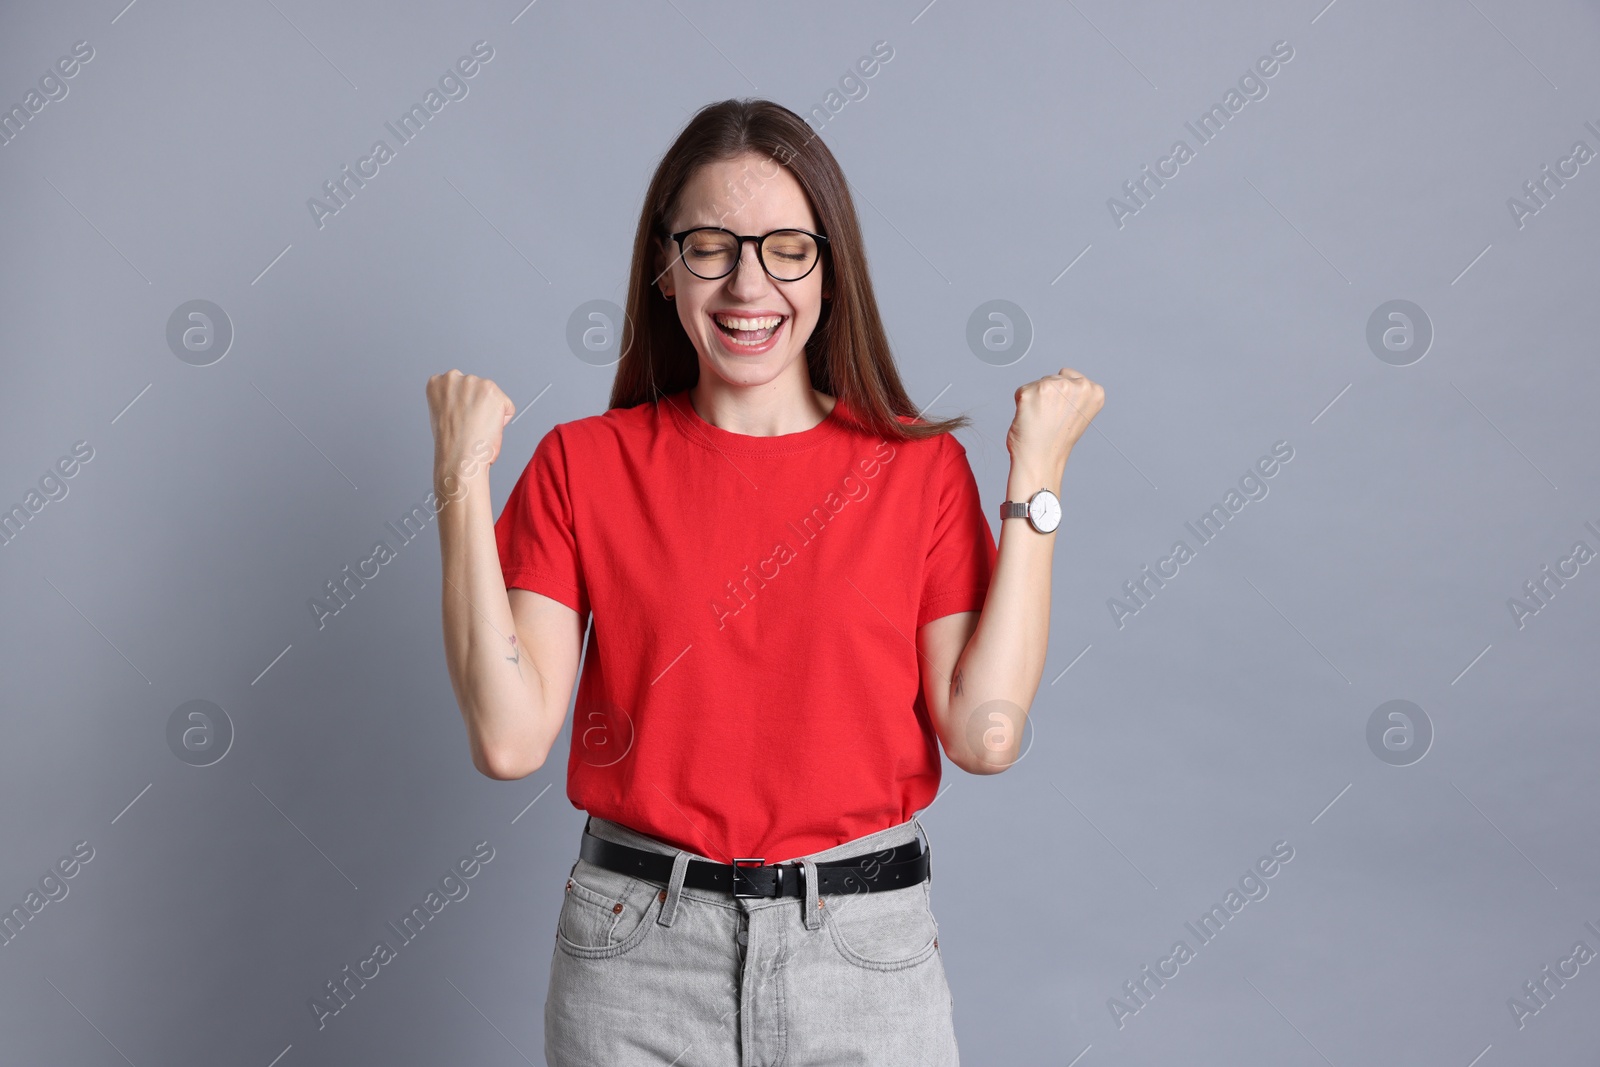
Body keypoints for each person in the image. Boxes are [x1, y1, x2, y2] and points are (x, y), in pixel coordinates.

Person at [425, 97, 1103, 1066]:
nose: (748, 282)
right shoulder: (584, 464)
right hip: (635, 960)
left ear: (830, 270)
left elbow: (984, 732)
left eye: (787, 247)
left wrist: (1034, 483)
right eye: (710, 245)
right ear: (664, 268)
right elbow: (506, 736)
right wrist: (457, 479)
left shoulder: (914, 472)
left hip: (863, 954)